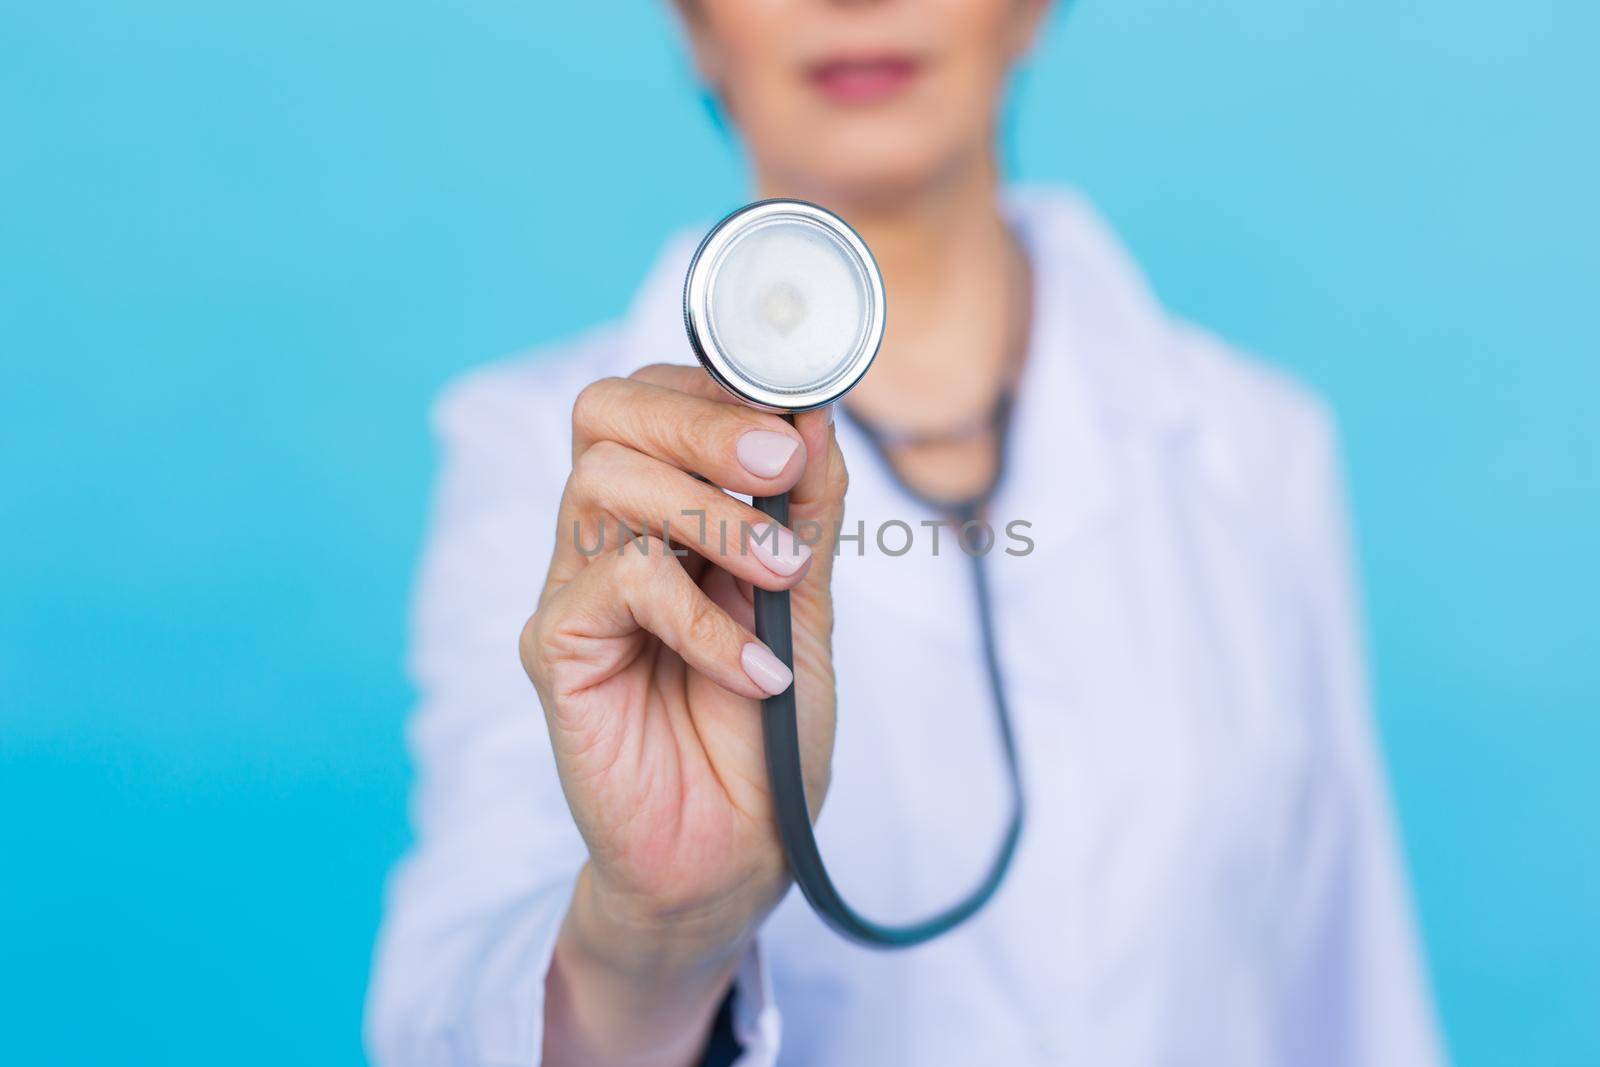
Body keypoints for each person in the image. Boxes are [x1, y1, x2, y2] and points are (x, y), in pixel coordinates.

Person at [366, 2, 1443, 1064]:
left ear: (1032, 11)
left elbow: (1348, 989)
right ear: (694, 25)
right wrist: (658, 929)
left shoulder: (1257, 446)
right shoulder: (538, 458)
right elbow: (441, 1022)